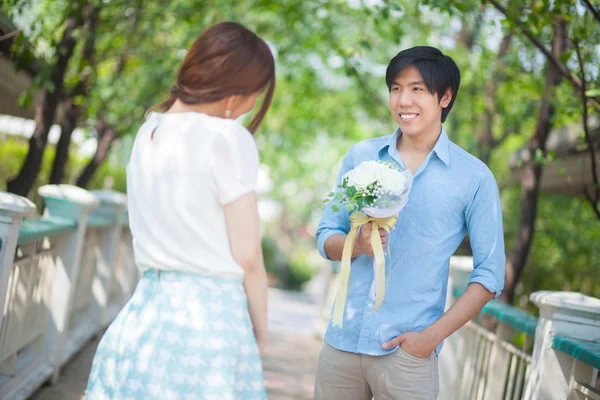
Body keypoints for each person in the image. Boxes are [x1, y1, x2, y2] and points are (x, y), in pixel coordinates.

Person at [86, 21, 275, 400]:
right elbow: (248, 257)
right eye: (254, 95)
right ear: (233, 93)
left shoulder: (149, 133)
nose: (252, 106)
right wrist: (261, 332)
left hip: (144, 318)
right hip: (208, 325)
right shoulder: (227, 137)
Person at [314, 46, 505, 399]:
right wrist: (354, 245)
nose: (404, 100)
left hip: (407, 354)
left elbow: (490, 276)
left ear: (445, 97)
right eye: (396, 88)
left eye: (417, 89)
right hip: (343, 342)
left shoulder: (474, 178)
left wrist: (429, 339)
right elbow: (326, 234)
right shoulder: (362, 156)